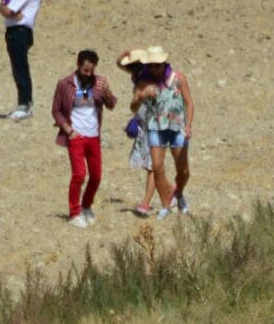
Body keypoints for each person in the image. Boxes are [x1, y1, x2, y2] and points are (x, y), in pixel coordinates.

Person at [52, 49, 118, 228]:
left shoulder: (98, 84)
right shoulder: (65, 84)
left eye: (91, 71)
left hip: (94, 136)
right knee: (79, 174)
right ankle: (74, 213)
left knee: (96, 176)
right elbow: (56, 109)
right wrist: (67, 129)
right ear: (78, 65)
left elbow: (111, 105)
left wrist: (107, 92)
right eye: (85, 70)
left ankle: (86, 205)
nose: (88, 74)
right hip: (76, 136)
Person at [132, 45, 196, 216]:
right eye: (150, 65)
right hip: (155, 128)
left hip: (177, 128)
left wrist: (188, 125)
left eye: (157, 65)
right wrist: (142, 96)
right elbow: (133, 106)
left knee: (183, 171)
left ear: (164, 63)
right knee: (157, 167)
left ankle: (179, 192)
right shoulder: (144, 82)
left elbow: (189, 102)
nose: (153, 69)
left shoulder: (178, 78)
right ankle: (165, 206)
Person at [0, 0, 40, 119]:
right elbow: (6, 9)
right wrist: (4, 8)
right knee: (17, 67)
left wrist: (4, 8)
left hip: (20, 31)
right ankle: (23, 103)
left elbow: (8, 10)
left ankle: (25, 104)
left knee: (20, 67)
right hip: (15, 30)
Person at [117, 49, 158, 217]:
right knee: (153, 165)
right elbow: (119, 64)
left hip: (153, 127)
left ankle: (146, 203)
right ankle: (170, 191)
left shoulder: (144, 80)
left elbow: (134, 105)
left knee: (153, 166)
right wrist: (123, 56)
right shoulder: (143, 76)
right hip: (147, 125)